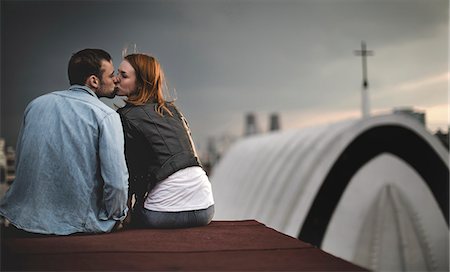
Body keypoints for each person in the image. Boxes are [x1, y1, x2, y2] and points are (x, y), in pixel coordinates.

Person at [0, 49, 129, 235]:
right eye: (110, 75)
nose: (115, 79)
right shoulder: (106, 116)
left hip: (23, 221)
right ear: (94, 81)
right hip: (78, 224)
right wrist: (117, 216)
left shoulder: (35, 105)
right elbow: (116, 182)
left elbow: (23, 162)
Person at [116, 53, 214, 228]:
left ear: (141, 81)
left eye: (123, 75)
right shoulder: (171, 110)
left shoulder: (126, 117)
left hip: (163, 214)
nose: (116, 79)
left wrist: (129, 209)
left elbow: (132, 170)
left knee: (136, 216)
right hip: (206, 209)